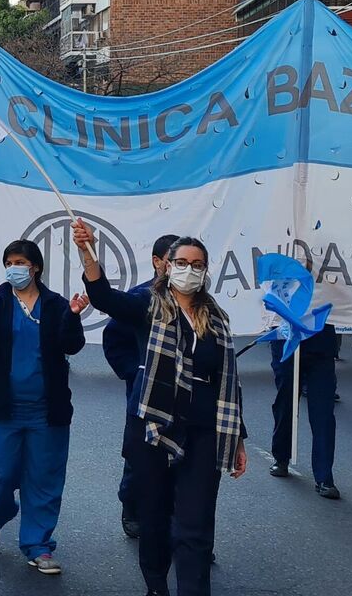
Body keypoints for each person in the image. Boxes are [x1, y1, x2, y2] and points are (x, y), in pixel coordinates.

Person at [75, 220, 248, 596]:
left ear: (205, 270)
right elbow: (105, 297)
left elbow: (228, 379)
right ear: (167, 266)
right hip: (152, 427)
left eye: (197, 264)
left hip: (205, 429)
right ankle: (156, 585)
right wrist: (87, 251)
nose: (189, 270)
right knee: (154, 518)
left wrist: (238, 438)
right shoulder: (148, 303)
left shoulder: (216, 318)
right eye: (181, 262)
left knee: (195, 523)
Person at [0, 239, 84, 574]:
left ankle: (38, 544)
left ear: (36, 267)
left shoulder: (56, 304)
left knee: (44, 477)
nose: (15, 268)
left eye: (21, 262)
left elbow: (71, 345)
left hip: (47, 411)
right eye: (10, 262)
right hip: (3, 409)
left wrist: (73, 317)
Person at [99, 234, 178, 540]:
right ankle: (130, 505)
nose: (183, 269)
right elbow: (114, 339)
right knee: (140, 455)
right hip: (145, 394)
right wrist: (136, 372)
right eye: (175, 262)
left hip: (184, 398)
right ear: (158, 263)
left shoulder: (198, 303)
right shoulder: (141, 298)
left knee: (182, 464)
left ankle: (186, 531)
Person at [266, 256, 341, 500]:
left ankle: (324, 476)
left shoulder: (328, 283)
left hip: (320, 345)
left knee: (323, 411)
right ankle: (281, 456)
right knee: (286, 401)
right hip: (287, 344)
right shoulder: (278, 284)